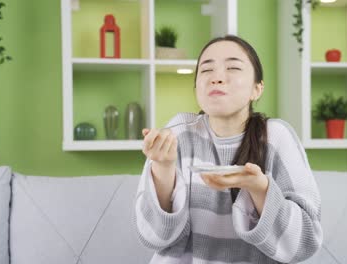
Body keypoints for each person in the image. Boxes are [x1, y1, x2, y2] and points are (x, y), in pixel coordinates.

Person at [134, 35, 323, 263]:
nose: (217, 78)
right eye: (206, 70)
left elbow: (304, 242)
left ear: (257, 89)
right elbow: (154, 237)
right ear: (196, 88)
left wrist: (259, 188)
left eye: (233, 67)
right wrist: (163, 168)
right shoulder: (178, 133)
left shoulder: (276, 137)